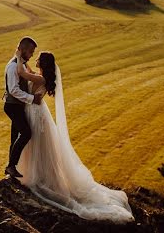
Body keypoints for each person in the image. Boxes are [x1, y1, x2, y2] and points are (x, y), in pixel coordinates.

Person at [14, 50, 134, 222]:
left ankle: (37, 177)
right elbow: (28, 71)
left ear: (44, 63)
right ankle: (38, 174)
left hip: (36, 113)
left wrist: (18, 57)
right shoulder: (41, 77)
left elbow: (21, 72)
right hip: (38, 111)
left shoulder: (40, 79)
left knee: (36, 143)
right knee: (38, 145)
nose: (36, 60)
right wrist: (24, 62)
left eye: (39, 58)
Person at [3, 36, 43, 179]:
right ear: (24, 50)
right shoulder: (14, 66)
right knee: (26, 133)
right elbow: (13, 90)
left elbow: (28, 74)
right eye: (31, 51)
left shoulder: (22, 64)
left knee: (15, 136)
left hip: (17, 106)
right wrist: (32, 99)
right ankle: (11, 166)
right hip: (12, 106)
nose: (32, 54)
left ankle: (11, 167)